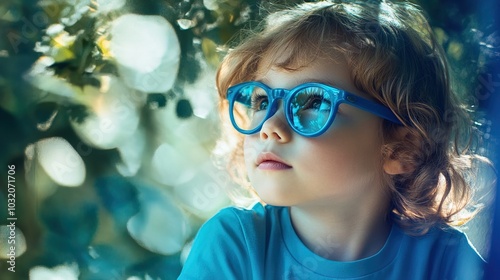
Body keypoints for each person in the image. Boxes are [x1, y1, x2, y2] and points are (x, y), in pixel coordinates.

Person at [178, 0, 487, 279]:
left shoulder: (447, 262)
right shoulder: (236, 245)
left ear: (402, 149)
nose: (269, 126)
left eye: (313, 102)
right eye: (261, 101)